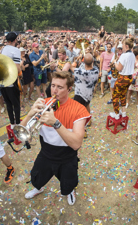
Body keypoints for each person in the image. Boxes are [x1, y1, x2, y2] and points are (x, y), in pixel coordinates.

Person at [23, 71, 91, 205]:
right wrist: (30, 114)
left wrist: (55, 123)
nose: (54, 90)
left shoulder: (79, 109)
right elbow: (21, 131)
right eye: (53, 85)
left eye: (60, 87)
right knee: (37, 176)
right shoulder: (44, 103)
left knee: (68, 181)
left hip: (67, 155)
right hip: (46, 152)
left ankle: (70, 191)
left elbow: (76, 144)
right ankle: (38, 187)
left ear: (69, 89)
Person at [72, 53, 99, 138]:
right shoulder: (96, 70)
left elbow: (71, 67)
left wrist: (76, 60)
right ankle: (89, 120)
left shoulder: (81, 72)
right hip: (89, 94)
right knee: (86, 105)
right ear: (93, 61)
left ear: (84, 61)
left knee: (78, 114)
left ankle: (84, 131)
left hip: (80, 95)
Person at [109, 38, 135, 120]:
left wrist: (114, 62)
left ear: (126, 46)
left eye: (123, 45)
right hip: (129, 77)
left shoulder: (124, 55)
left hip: (122, 78)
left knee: (115, 96)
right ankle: (123, 112)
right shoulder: (132, 54)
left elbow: (119, 68)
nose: (122, 47)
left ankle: (116, 113)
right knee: (123, 94)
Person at [0, 32, 22, 129]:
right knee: (16, 103)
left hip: (1, 80)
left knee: (8, 103)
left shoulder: (2, 49)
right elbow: (17, 68)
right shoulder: (16, 50)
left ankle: (12, 124)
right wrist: (20, 76)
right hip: (11, 80)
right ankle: (17, 123)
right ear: (15, 40)